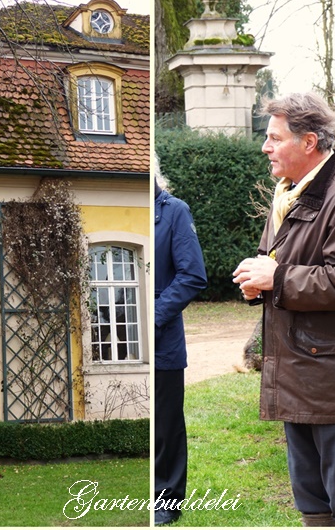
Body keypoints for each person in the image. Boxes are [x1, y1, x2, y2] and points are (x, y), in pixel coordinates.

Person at [232, 92, 335, 527]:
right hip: (300, 372)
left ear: (308, 142)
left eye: (274, 138)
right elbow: (279, 264)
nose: (265, 147)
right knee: (313, 504)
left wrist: (278, 278)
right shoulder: (289, 195)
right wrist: (259, 284)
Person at [154, 167, 207, 526]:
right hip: (128, 337)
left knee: (166, 423)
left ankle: (167, 502)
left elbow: (193, 275)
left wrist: (154, 317)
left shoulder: (175, 212)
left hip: (163, 340)